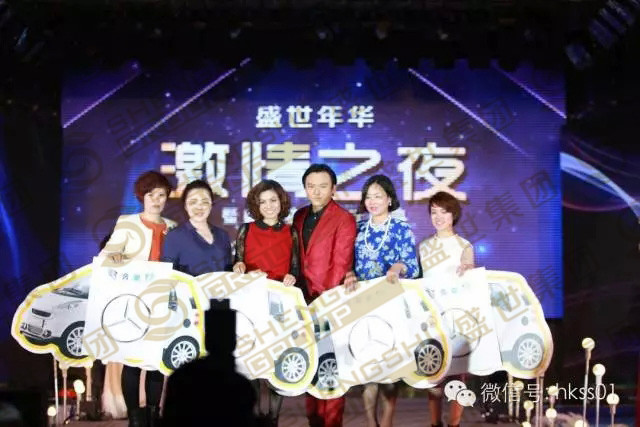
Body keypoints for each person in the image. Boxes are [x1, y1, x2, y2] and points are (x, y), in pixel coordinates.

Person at [99, 171, 176, 426]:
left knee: (155, 362)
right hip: (132, 301)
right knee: (132, 361)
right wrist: (124, 260)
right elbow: (105, 258)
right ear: (142, 196)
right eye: (151, 195)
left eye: (161, 195)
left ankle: (153, 414)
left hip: (162, 302)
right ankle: (135, 417)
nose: (156, 200)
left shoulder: (173, 227)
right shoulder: (127, 223)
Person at [344, 174, 420, 427]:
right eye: (368, 197)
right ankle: (371, 422)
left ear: (389, 199)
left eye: (378, 196)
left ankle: (386, 422)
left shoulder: (400, 228)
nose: (372, 201)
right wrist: (349, 273)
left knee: (389, 370)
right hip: (364, 304)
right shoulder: (358, 228)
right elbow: (347, 261)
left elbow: (412, 266)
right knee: (368, 368)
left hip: (391, 303)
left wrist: (398, 266)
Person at [292, 164, 356, 427]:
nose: (316, 191)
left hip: (329, 302)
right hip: (302, 301)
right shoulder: (299, 215)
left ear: (333, 189)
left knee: (331, 367)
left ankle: (331, 422)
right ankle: (314, 420)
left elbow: (342, 262)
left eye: (322, 186)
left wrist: (325, 301)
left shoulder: (344, 218)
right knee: (310, 364)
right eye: (311, 186)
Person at [232, 179, 299, 426]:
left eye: (273, 200)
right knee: (251, 359)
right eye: (263, 202)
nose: (269, 206)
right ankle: (254, 416)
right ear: (256, 205)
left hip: (279, 305)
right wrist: (239, 267)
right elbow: (237, 263)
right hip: (251, 303)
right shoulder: (246, 230)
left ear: (281, 202)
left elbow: (295, 267)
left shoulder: (291, 231)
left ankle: (273, 419)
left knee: (276, 359)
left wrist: (292, 276)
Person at [418, 191, 475, 427]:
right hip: (431, 317)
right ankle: (435, 423)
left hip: (456, 316)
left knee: (457, 374)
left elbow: (471, 275)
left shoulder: (464, 245)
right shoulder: (424, 246)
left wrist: (467, 269)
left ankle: (454, 423)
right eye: (434, 212)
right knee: (433, 373)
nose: (438, 217)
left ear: (454, 215)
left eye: (444, 212)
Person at [161, 179, 232, 275]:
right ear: (185, 206)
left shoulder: (223, 235)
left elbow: (228, 272)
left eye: (205, 202)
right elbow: (168, 275)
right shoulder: (174, 236)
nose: (199, 207)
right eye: (193, 202)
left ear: (211, 205)